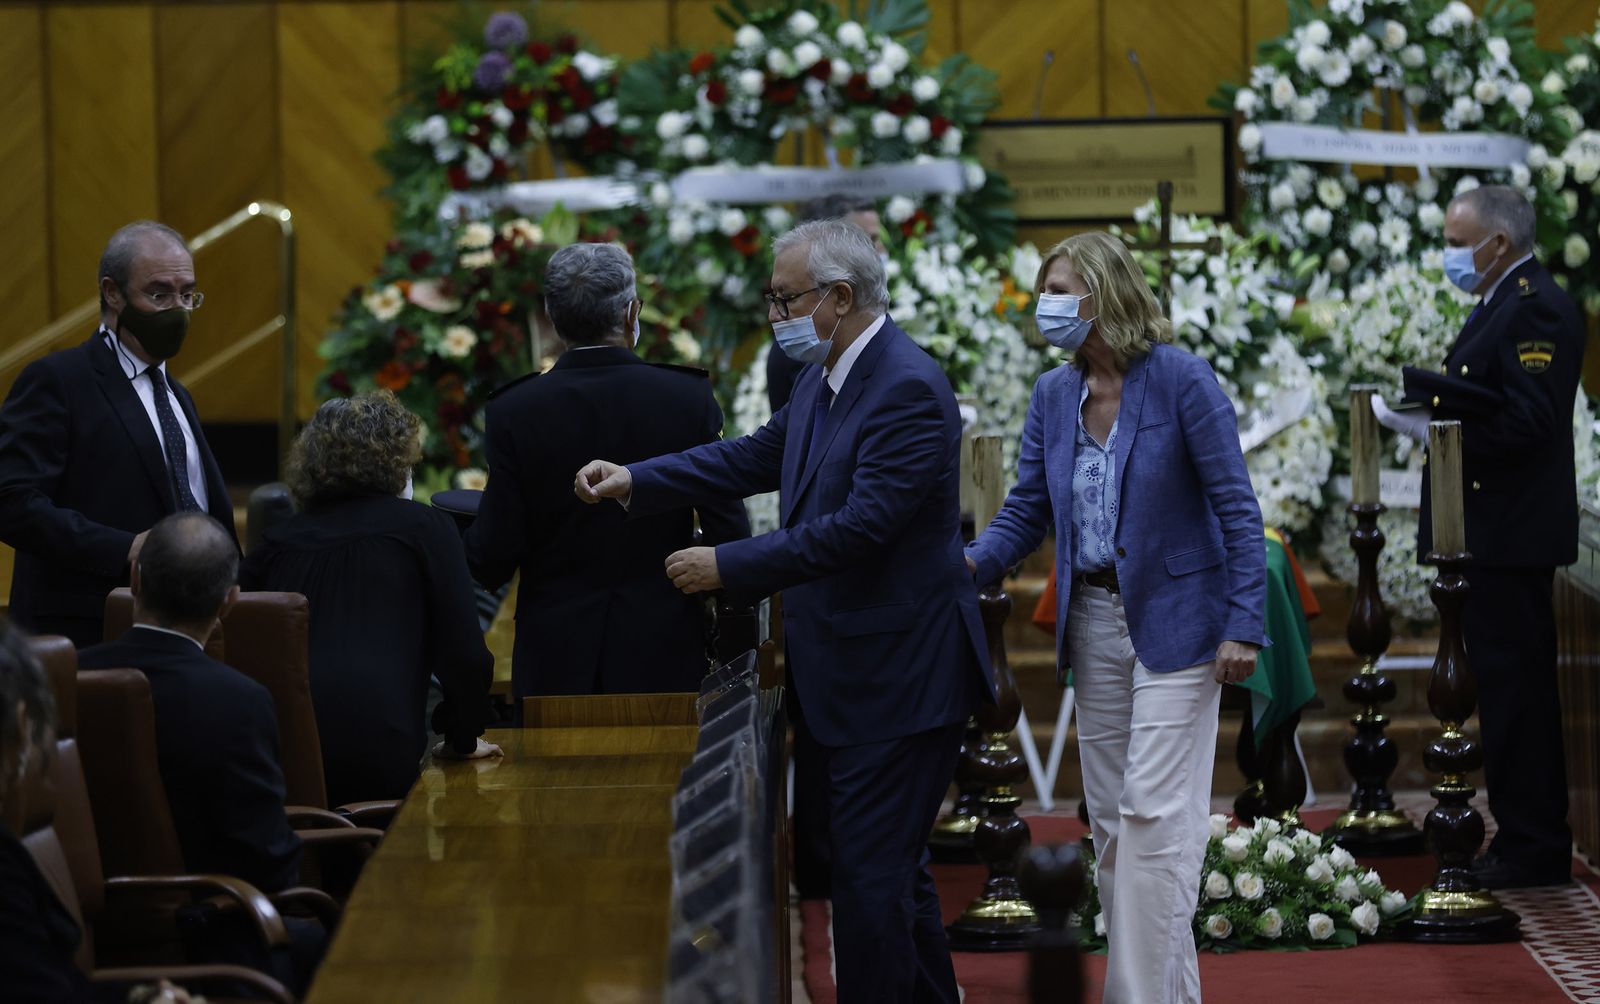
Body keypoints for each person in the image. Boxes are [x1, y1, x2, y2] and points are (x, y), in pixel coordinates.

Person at [576, 219, 995, 1004]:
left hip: (898, 678)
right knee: (890, 882)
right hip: (854, 673)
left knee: (870, 888)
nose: (776, 316)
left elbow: (860, 530)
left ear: (839, 297)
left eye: (785, 299)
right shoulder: (822, 375)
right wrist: (638, 478)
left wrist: (727, 565)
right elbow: (752, 456)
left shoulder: (904, 385)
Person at [966, 232, 1267, 1004]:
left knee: (1151, 818)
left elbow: (1237, 507)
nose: (1047, 305)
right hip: (1093, 622)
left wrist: (1244, 622)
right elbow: (1027, 509)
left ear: (1103, 294)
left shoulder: (1181, 380)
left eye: (1060, 288)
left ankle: (1131, 997)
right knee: (1110, 830)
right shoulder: (1052, 394)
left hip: (1180, 626)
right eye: (1046, 289)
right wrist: (964, 568)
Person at [1380, 185, 1585, 889]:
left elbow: (1529, 424)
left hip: (1511, 537)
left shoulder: (1537, 310)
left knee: (1516, 695)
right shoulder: (1500, 301)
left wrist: (1444, 436)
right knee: (1501, 691)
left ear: (1496, 244)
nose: (1449, 253)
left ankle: (1532, 847)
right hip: (1492, 533)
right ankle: (1522, 837)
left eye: (1456, 239)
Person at [465, 242, 749, 705]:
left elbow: (494, 554)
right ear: (631, 312)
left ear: (551, 318)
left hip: (554, 652)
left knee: (554, 777)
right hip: (663, 644)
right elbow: (728, 528)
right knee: (665, 776)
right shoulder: (684, 397)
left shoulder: (514, 409)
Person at [240, 392, 499, 807]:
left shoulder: (275, 542)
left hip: (281, 752)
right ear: (397, 458)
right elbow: (465, 656)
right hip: (382, 747)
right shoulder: (425, 529)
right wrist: (462, 737)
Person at [0, 222, 234, 648]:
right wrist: (125, 548)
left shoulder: (177, 395)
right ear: (112, 293)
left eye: (187, 294)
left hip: (188, 636)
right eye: (159, 294)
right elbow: (12, 502)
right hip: (88, 632)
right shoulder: (58, 380)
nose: (178, 309)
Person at [79, 513, 303, 894]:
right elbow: (267, 862)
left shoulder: (66, 677)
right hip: (222, 924)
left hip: (83, 927)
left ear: (134, 579)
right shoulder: (241, 701)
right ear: (230, 601)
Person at [766, 194, 887, 415]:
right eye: (867, 241)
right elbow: (768, 445)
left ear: (842, 297)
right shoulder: (810, 363)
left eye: (789, 298)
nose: (880, 251)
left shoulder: (902, 381)